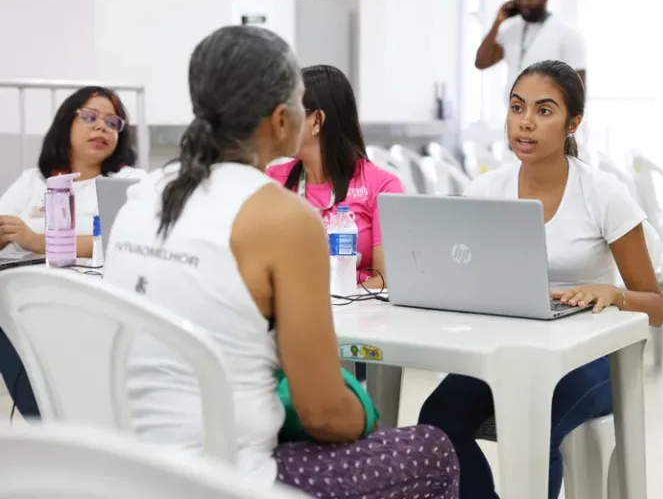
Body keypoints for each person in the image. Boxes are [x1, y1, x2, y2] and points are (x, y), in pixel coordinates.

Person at [102, 26, 458, 498]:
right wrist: (364, 411)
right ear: (280, 119)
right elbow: (324, 416)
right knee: (432, 450)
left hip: (124, 467)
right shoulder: (284, 217)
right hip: (228, 478)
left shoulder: (140, 197)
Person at [418, 60, 663, 499]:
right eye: (517, 108)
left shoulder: (604, 195)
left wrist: (612, 293)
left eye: (544, 110)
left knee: (536, 418)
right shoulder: (486, 192)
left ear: (573, 122)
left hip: (596, 358)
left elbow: (656, 307)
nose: (526, 122)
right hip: (510, 349)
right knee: (438, 418)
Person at [0, 86, 144, 418]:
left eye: (112, 123)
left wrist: (37, 240)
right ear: (66, 124)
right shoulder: (33, 182)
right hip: (26, 302)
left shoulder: (130, 182)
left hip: (94, 301)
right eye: (90, 117)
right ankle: (47, 426)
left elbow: (118, 241)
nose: (101, 128)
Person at [267, 64, 404, 291]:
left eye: (288, 113)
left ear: (317, 121)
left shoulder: (383, 186)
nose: (279, 123)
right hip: (288, 308)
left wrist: (333, 301)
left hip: (357, 314)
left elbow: (388, 279)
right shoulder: (271, 181)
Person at [475, 0, 586, 106]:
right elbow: (481, 62)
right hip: (515, 112)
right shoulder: (510, 30)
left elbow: (579, 89)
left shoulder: (566, 34)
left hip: (547, 115)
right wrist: (498, 22)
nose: (524, 2)